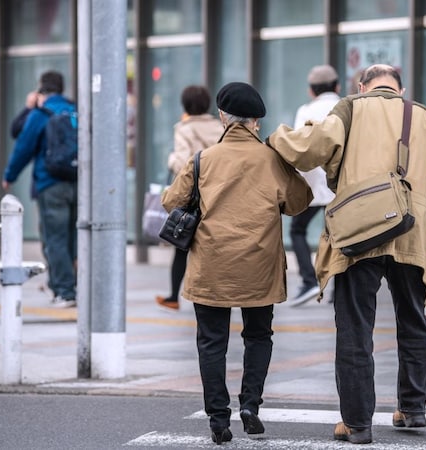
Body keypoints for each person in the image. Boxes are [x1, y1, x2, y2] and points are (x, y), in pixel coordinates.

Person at [267, 64, 426, 445]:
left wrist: (274, 139)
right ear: (400, 90)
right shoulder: (425, 117)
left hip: (360, 232)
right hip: (412, 231)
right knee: (413, 320)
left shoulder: (350, 108)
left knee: (354, 326)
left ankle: (356, 423)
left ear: (363, 86)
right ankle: (412, 410)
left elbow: (310, 148)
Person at [163, 82, 312, 445]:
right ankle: (250, 405)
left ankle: (218, 418)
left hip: (212, 265)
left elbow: (171, 201)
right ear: (257, 123)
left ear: (223, 118)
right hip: (259, 264)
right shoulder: (272, 159)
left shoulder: (203, 159)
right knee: (258, 335)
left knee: (211, 342)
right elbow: (299, 202)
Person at [3, 71, 78, 308]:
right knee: (73, 238)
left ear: (41, 90)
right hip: (78, 183)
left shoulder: (40, 113)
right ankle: (65, 284)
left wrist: (9, 175)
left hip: (50, 183)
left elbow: (22, 144)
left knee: (54, 239)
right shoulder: (74, 110)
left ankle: (64, 291)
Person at [155, 85, 224, 311]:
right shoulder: (220, 127)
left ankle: (174, 296)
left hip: (194, 197)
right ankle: (219, 295)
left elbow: (183, 163)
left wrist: (171, 158)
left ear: (185, 106)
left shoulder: (184, 129)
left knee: (181, 244)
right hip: (220, 193)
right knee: (216, 245)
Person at [289, 65, 341, 305]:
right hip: (341, 183)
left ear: (312, 91)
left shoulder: (306, 110)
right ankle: (339, 288)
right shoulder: (347, 107)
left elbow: (300, 147)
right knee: (339, 235)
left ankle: (309, 280)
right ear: (337, 86)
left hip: (313, 182)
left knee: (297, 230)